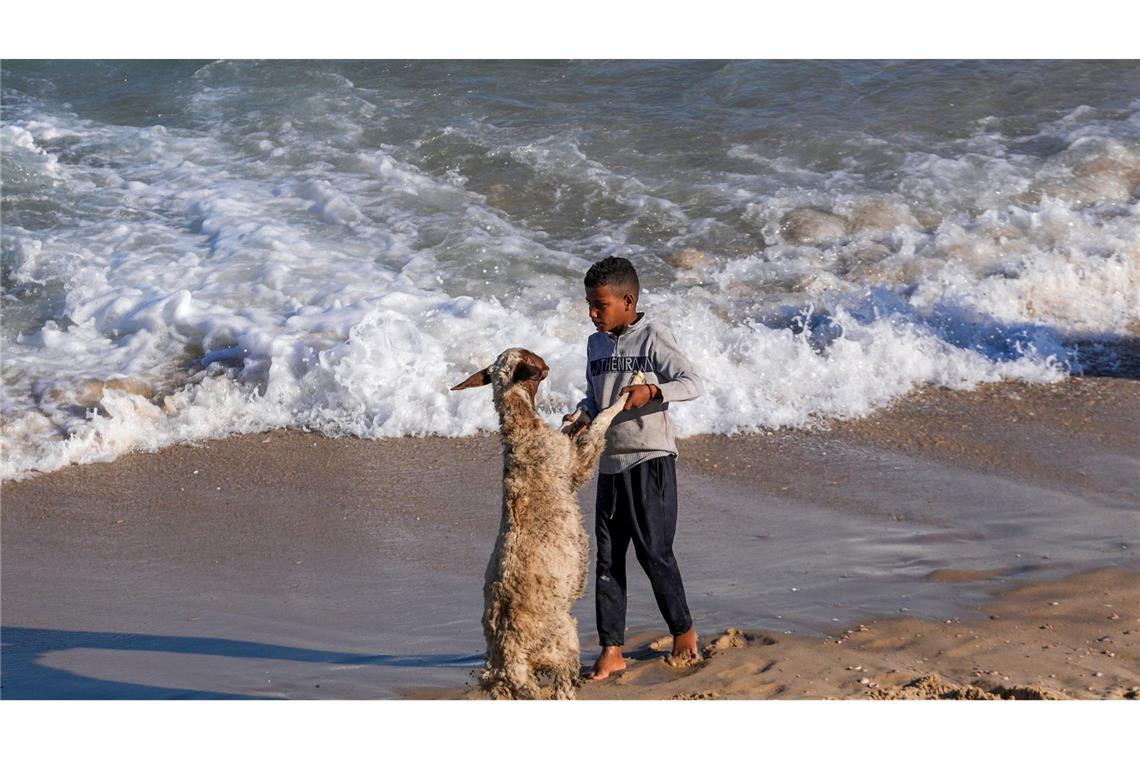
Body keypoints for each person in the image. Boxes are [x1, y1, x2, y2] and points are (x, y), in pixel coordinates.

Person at [564, 255, 703, 680]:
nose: (592, 313)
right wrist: (581, 416)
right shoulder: (595, 344)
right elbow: (596, 397)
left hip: (650, 458)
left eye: (600, 305)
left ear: (628, 300)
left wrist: (653, 390)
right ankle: (612, 649)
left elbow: (692, 382)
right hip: (609, 463)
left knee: (653, 552)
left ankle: (684, 632)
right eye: (589, 304)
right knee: (607, 560)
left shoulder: (653, 336)